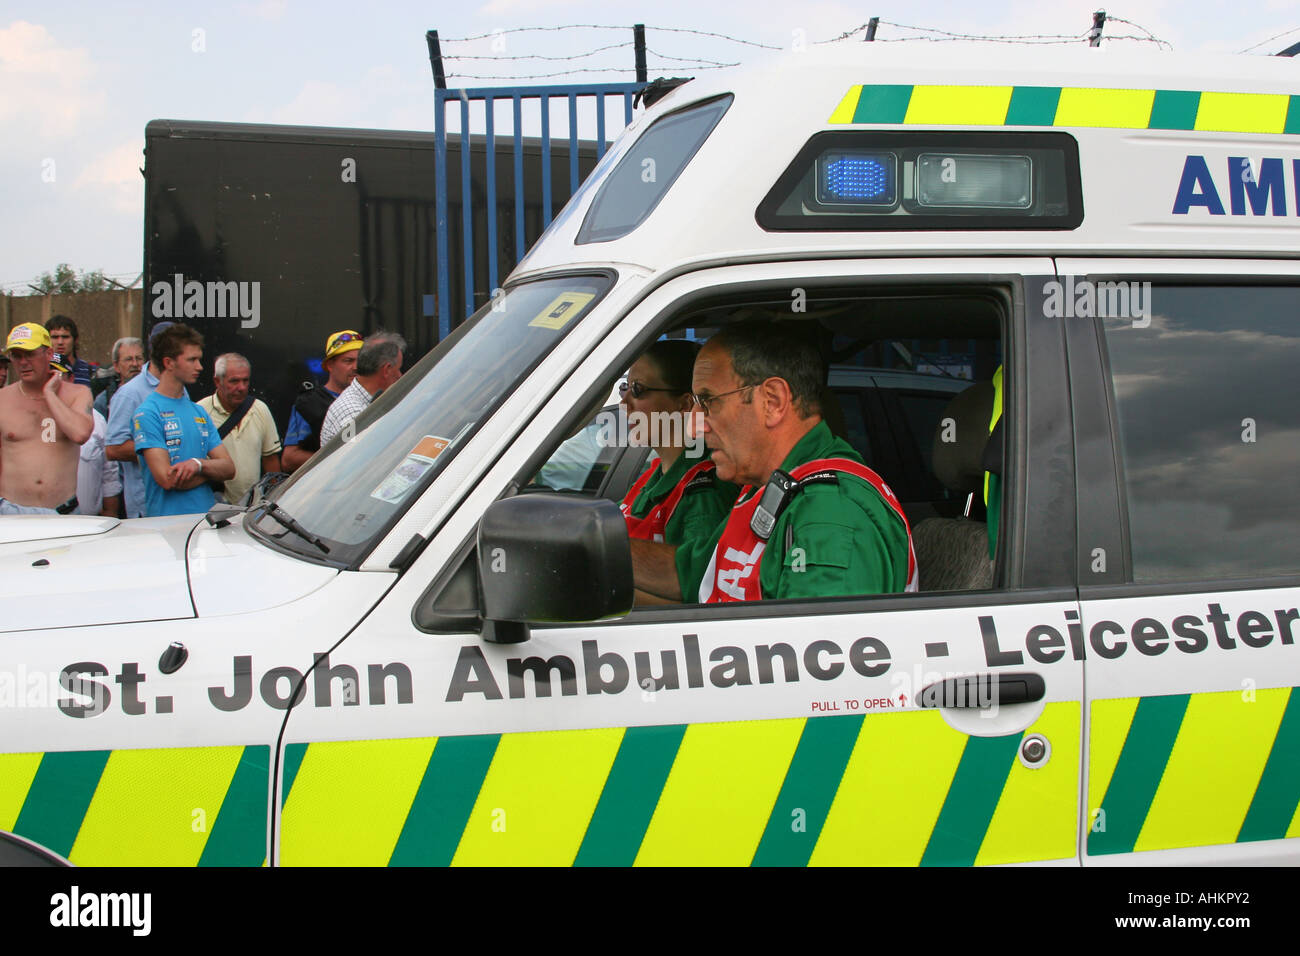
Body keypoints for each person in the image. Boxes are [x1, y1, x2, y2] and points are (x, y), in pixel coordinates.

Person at [631, 322, 916, 604]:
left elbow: (818, 646)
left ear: (773, 402)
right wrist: (598, 552)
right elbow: (689, 573)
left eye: (708, 402)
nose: (694, 427)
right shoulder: (766, 489)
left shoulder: (831, 513)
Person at [618, 339, 737, 545]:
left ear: (684, 404)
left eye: (637, 389)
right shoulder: (653, 477)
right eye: (624, 388)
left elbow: (691, 577)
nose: (624, 404)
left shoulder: (701, 498)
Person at [131, 324, 234, 517]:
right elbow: (168, 480)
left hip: (204, 523)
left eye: (199, 359)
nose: (199, 367)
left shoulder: (199, 411)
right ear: (169, 363)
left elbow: (229, 468)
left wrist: (197, 465)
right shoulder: (148, 413)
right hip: (167, 526)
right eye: (192, 360)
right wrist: (210, 473)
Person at [0, 323, 94, 514]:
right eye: (17, 356)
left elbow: (80, 434)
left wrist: (50, 394)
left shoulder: (77, 393)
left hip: (62, 510)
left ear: (49, 354)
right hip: (12, 511)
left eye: (30, 354)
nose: (23, 362)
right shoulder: (3, 399)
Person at [106, 322, 178, 517]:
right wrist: (162, 449)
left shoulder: (180, 388)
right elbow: (113, 448)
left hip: (178, 501)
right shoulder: (129, 394)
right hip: (147, 507)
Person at [198, 353, 283, 504]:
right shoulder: (200, 413)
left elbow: (271, 462)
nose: (241, 387)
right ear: (217, 381)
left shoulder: (260, 409)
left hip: (253, 508)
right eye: (234, 381)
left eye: (245, 380)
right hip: (214, 507)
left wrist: (272, 500)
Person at [282, 330, 363, 473]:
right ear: (330, 365)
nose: (356, 367)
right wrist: (334, 460)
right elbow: (289, 459)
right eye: (348, 361)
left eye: (360, 360)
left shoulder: (371, 397)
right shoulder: (309, 403)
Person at [319, 331, 405, 445]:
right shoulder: (352, 413)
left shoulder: (367, 402)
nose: (400, 375)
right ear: (387, 370)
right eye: (398, 368)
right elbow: (359, 459)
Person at [76, 407, 123, 517]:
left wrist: (110, 512)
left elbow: (109, 474)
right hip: (38, 524)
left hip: (90, 524)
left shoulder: (95, 418)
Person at [93, 337, 145, 418]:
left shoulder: (155, 391)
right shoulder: (104, 401)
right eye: (128, 359)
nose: (135, 364)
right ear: (116, 366)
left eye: (139, 358)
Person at [45, 315, 96, 387]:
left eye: (65, 337)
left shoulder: (92, 372)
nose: (60, 342)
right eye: (55, 337)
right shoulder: (41, 371)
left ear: (75, 340)